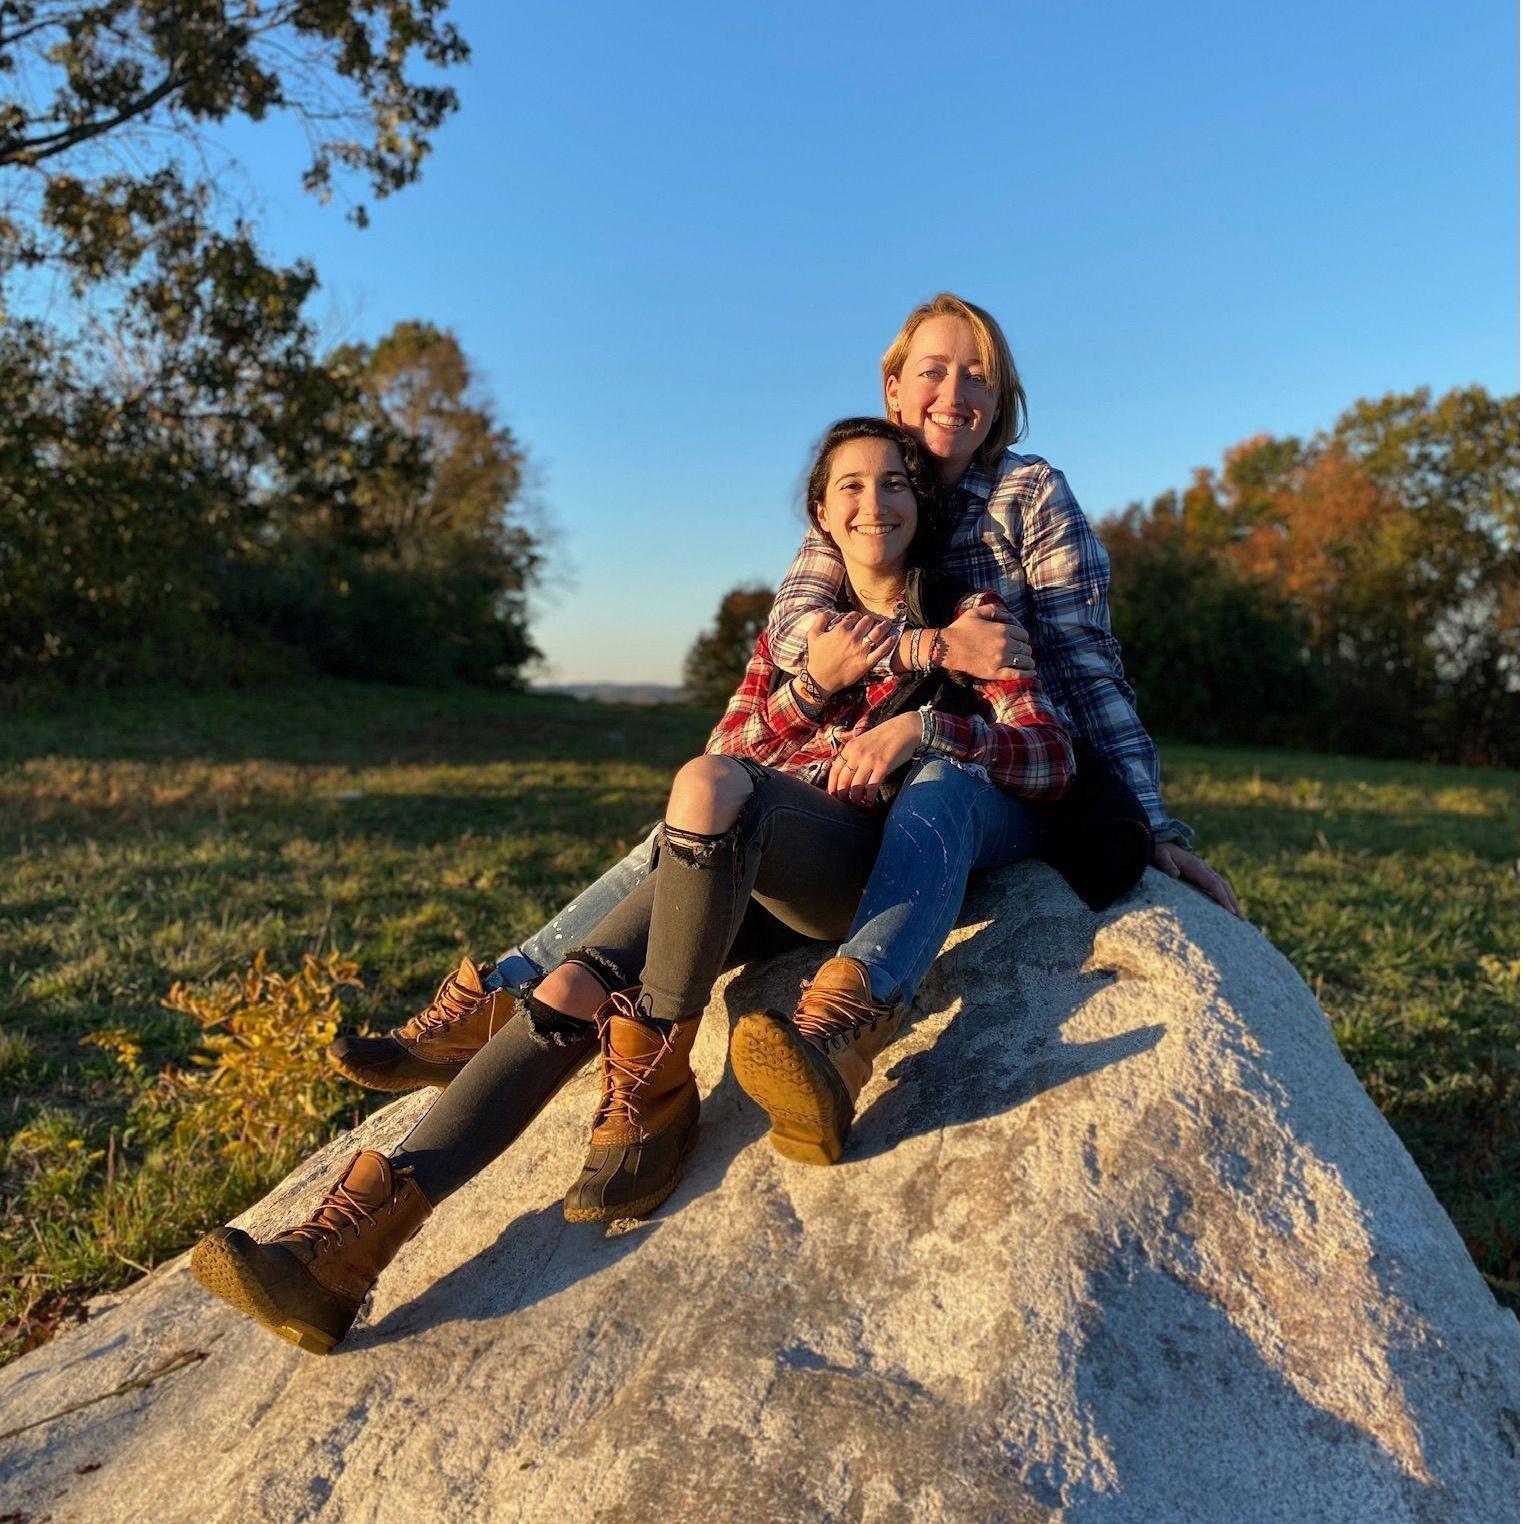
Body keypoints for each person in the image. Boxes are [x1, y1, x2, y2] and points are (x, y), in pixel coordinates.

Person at [189, 418, 1074, 1355]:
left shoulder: (968, 613)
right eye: (849, 487)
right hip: (736, 871)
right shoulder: (794, 635)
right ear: (821, 511)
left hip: (852, 864)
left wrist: (922, 723)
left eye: (892, 483)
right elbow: (726, 762)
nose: (873, 503)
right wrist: (813, 688)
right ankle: (342, 1250)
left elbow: (1049, 755)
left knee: (704, 804)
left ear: (917, 500)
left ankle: (657, 1077)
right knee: (574, 983)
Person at [323, 292, 1238, 1105]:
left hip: (1014, 762)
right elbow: (805, 633)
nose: (953, 392)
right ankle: (508, 990)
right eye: (932, 371)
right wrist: (925, 646)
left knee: (930, 784)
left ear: (999, 402)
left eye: (978, 377)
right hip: (869, 773)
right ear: (892, 386)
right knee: (697, 813)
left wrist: (1154, 823)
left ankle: (844, 1021)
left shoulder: (1024, 493)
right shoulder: (856, 487)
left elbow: (1082, 656)